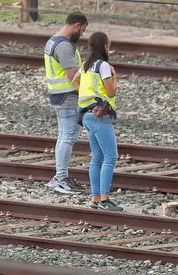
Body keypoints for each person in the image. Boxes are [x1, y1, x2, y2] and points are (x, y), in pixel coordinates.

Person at [72, 32, 123, 212]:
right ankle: (104, 199)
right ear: (105, 46)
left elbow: (74, 80)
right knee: (110, 156)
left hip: (86, 115)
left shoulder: (86, 65)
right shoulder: (104, 66)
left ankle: (95, 198)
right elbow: (110, 92)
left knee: (97, 157)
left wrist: (86, 98)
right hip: (99, 115)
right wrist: (114, 76)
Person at [43, 11, 89, 195]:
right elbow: (73, 76)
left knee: (64, 137)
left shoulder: (53, 41)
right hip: (67, 98)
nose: (83, 34)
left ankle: (60, 176)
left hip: (59, 96)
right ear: (76, 25)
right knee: (68, 138)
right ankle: (60, 178)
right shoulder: (63, 47)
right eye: (83, 30)